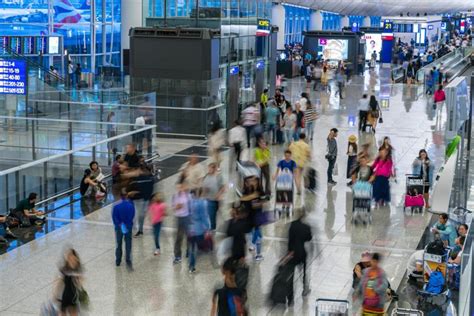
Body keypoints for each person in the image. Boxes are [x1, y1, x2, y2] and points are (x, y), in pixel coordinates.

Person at [240, 176, 265, 261]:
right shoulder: (246, 191)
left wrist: (259, 203)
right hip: (249, 217)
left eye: (254, 181)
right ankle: (253, 248)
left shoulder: (259, 191)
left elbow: (263, 201)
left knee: (259, 236)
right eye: (250, 181)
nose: (252, 182)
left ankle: (258, 254)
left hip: (257, 216)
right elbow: (243, 201)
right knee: (251, 235)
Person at [288, 211, 312, 296]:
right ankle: (305, 289)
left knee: (291, 272)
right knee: (304, 271)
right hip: (302, 252)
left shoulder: (292, 224)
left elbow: (290, 238)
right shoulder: (306, 227)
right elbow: (309, 238)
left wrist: (289, 251)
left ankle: (290, 292)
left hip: (293, 252)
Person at [55, 248, 85, 316]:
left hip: (73, 297)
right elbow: (58, 282)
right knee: (62, 313)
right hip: (64, 296)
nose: (71, 259)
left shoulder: (78, 270)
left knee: (73, 313)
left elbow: (80, 283)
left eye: (72, 258)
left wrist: (79, 281)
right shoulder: (64, 269)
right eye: (69, 257)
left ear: (76, 258)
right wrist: (55, 295)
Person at [187, 190, 211, 273]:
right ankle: (192, 266)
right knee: (196, 248)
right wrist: (207, 228)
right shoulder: (202, 203)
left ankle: (190, 265)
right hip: (198, 229)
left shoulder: (189, 202)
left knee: (191, 247)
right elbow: (204, 217)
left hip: (190, 229)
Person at [128, 164, 154, 237]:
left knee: (139, 215)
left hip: (141, 199)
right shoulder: (147, 178)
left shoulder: (146, 178)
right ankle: (139, 230)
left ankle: (139, 230)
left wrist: (134, 192)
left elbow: (145, 189)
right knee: (139, 215)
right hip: (141, 199)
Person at [112, 189, 135, 268]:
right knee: (128, 242)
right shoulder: (131, 205)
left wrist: (119, 224)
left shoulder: (116, 206)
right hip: (128, 226)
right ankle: (128, 259)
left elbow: (114, 217)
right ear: (126, 196)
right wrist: (128, 223)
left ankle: (118, 260)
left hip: (119, 227)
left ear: (120, 196)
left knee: (119, 243)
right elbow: (132, 215)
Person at [172, 182, 192, 264]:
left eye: (181, 187)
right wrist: (176, 207)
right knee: (178, 238)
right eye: (179, 187)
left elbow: (191, 208)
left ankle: (189, 251)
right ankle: (177, 256)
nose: (180, 189)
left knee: (188, 236)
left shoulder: (188, 196)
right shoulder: (175, 196)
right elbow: (173, 207)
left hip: (186, 217)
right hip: (179, 218)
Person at [202, 162, 225, 231]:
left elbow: (223, 187)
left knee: (212, 216)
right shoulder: (206, 176)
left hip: (213, 200)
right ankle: (208, 228)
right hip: (206, 198)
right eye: (208, 168)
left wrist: (219, 194)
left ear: (214, 169)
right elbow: (202, 185)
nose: (209, 169)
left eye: (211, 168)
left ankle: (212, 229)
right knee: (207, 215)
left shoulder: (218, 176)